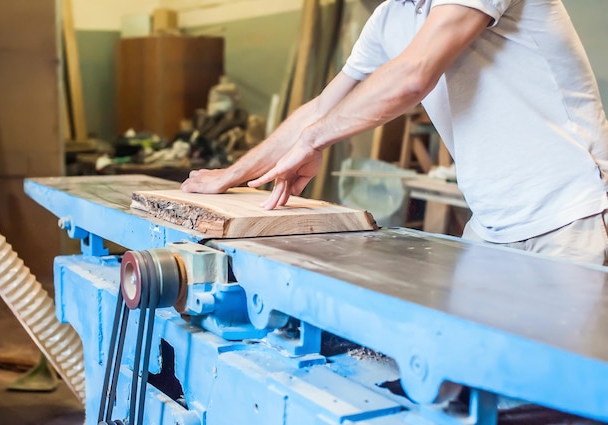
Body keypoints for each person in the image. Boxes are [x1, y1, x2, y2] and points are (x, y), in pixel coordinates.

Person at [181, 0, 608, 265]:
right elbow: (319, 108)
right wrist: (228, 175)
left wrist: (316, 139)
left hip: (573, 215)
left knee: (566, 400)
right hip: (493, 225)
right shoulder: (391, 16)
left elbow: (413, 76)